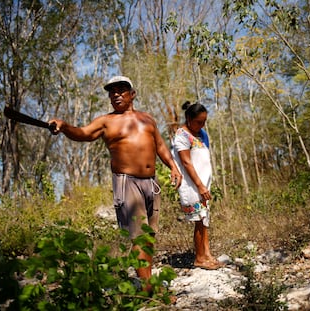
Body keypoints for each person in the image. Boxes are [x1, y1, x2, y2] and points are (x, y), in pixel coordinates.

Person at [49, 75, 182, 292]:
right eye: (112, 91)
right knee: (139, 236)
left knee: (148, 237)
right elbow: (83, 134)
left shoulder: (147, 119)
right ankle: (149, 290)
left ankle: (146, 283)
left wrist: (173, 167)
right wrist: (64, 126)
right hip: (126, 182)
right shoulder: (105, 121)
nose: (116, 94)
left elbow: (160, 146)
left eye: (121, 90)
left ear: (132, 94)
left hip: (151, 182)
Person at [172, 101, 222, 270]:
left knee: (204, 220)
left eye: (204, 121)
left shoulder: (201, 134)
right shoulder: (181, 136)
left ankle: (207, 254)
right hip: (192, 186)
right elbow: (186, 163)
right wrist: (200, 186)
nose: (202, 125)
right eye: (199, 121)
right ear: (188, 118)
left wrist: (205, 185)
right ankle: (199, 257)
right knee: (199, 219)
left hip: (203, 184)